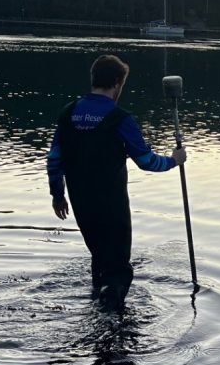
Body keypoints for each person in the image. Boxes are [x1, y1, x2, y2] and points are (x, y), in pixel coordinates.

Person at [47, 54, 186, 303]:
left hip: (81, 202)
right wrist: (174, 160)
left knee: (99, 257)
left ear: (93, 79)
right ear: (117, 83)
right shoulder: (120, 119)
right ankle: (112, 323)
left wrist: (58, 195)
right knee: (118, 268)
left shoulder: (68, 114)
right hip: (112, 205)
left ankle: (96, 311)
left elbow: (54, 160)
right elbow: (146, 161)